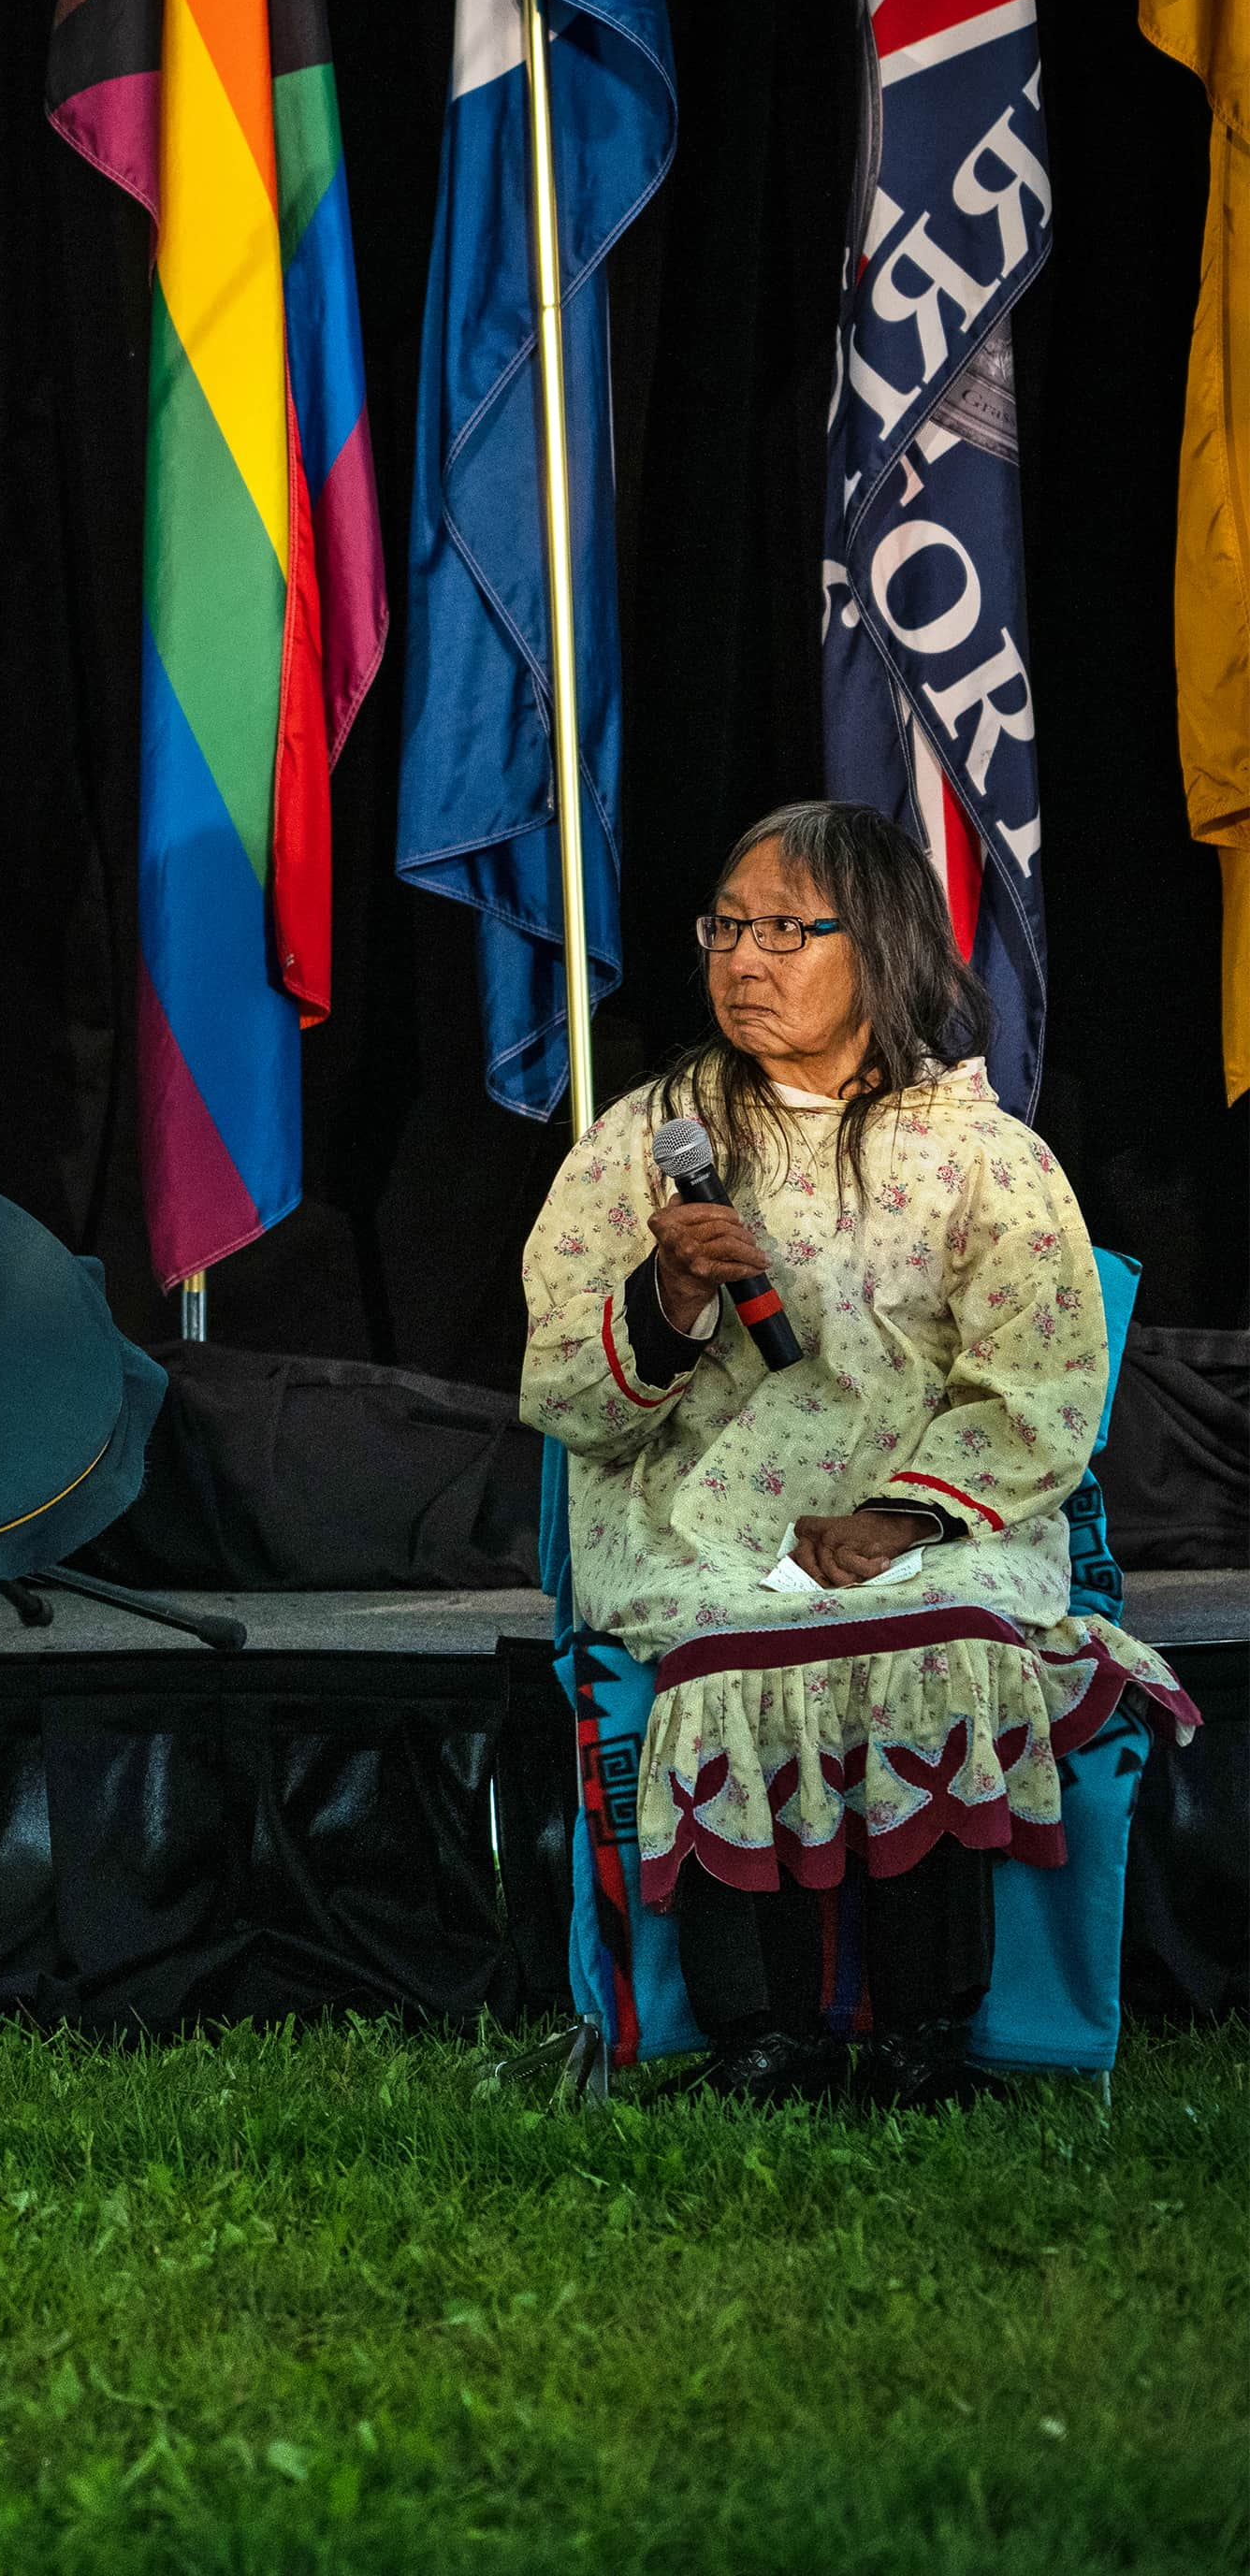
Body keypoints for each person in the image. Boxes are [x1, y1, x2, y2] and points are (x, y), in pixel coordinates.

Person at [521, 802, 1198, 2106]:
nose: (745, 960)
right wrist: (664, 1304)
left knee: (939, 1638)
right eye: (728, 927)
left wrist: (898, 1520)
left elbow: (1040, 1387)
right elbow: (563, 1389)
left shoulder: (984, 1154)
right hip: (703, 1526)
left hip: (932, 1528)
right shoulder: (643, 1148)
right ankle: (754, 2036)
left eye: (787, 930)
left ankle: (928, 2035)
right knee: (730, 1649)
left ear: (881, 946)